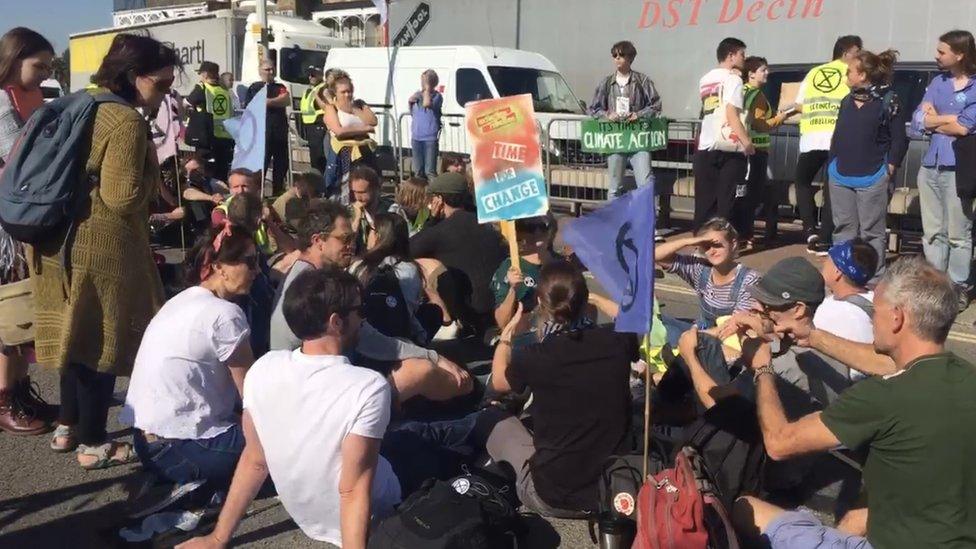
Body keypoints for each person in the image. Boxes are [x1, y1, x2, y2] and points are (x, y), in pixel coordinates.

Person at [731, 256, 976, 549]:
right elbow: (892, 365)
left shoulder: (880, 397)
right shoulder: (963, 377)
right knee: (858, 512)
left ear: (897, 318)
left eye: (876, 311)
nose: (872, 318)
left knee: (746, 509)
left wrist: (762, 368)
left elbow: (779, 443)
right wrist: (812, 337)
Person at [177, 267, 402, 549]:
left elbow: (255, 459)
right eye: (360, 310)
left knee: (414, 433)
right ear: (336, 322)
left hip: (309, 518)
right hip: (377, 504)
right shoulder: (368, 387)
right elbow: (352, 489)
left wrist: (219, 537)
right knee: (435, 439)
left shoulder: (263, 369)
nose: (363, 318)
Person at [32, 34, 176, 467]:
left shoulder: (81, 102)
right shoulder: (126, 121)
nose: (166, 94)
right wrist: (153, 176)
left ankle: (67, 427)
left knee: (74, 336)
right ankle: (94, 443)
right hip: (102, 243)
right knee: (101, 340)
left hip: (58, 237)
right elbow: (123, 196)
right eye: (163, 85)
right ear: (135, 76)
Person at [269, 201, 473, 404]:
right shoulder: (317, 288)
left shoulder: (306, 276)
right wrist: (433, 357)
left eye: (354, 238)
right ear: (318, 241)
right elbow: (369, 340)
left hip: (319, 384)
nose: (352, 245)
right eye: (345, 239)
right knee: (420, 371)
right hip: (319, 395)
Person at [488, 261, 638, 517]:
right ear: (584, 300)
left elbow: (498, 382)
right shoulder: (617, 340)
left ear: (541, 303)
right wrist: (598, 300)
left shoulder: (533, 355)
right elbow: (630, 319)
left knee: (496, 422)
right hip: (616, 486)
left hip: (553, 494)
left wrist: (505, 337)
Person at [121, 226, 255, 495]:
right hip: (185, 446)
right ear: (220, 267)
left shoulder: (179, 301)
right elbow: (252, 392)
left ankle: (182, 480)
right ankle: (202, 484)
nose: (258, 270)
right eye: (250, 262)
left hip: (147, 442)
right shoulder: (226, 314)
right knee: (279, 441)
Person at [0, 27, 54, 436]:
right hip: (6, 222)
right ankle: (5, 399)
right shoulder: (2, 99)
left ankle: (18, 391)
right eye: (39, 66)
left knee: (19, 311)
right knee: (8, 313)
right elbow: (16, 152)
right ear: (15, 58)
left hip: (20, 214)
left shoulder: (30, 96)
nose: (44, 74)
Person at [828, 49, 908, 282]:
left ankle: (873, 279)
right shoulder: (846, 100)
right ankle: (842, 275)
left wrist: (890, 168)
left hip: (872, 177)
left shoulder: (888, 100)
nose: (846, 76)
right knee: (843, 230)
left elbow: (899, 139)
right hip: (841, 176)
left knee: (872, 232)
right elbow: (838, 136)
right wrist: (832, 165)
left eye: (849, 72)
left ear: (862, 75)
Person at [913, 30, 976, 311]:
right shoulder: (937, 82)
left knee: (958, 234)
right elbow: (917, 120)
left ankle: (958, 287)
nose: (936, 56)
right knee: (932, 232)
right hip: (931, 165)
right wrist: (945, 119)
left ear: (959, 54)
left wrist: (934, 119)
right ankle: (936, 285)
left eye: (941, 52)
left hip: (958, 168)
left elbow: (964, 126)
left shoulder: (975, 86)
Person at [410, 172, 506, 338]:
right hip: (496, 306)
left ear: (439, 199)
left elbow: (408, 249)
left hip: (468, 309)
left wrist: (432, 219)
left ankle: (446, 322)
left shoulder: (442, 230)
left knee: (421, 263)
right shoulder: (487, 226)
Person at [794, 35, 862, 255]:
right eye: (857, 52)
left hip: (812, 136)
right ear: (845, 54)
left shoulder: (814, 73)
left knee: (802, 182)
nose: (859, 56)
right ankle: (825, 240)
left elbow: (799, 104)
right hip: (836, 138)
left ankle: (809, 230)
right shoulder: (849, 73)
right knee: (832, 188)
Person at [655, 218, 760, 345]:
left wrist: (690, 338)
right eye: (706, 246)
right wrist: (689, 241)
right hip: (702, 332)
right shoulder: (700, 270)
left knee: (671, 335)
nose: (712, 251)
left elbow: (731, 327)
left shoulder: (748, 279)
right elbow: (655, 255)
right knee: (654, 321)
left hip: (728, 342)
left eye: (717, 245)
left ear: (733, 244)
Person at [587, 40, 663, 199]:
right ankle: (615, 222)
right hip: (616, 140)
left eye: (621, 55)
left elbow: (656, 105)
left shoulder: (642, 81)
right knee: (615, 187)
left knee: (645, 183)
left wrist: (639, 115)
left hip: (638, 140)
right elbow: (593, 109)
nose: (617, 59)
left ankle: (646, 221)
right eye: (614, 55)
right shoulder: (606, 83)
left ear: (630, 58)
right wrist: (608, 115)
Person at [351, 212, 439, 344]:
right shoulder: (411, 269)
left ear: (378, 235)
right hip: (399, 333)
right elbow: (411, 308)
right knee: (434, 311)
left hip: (364, 333)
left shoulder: (358, 266)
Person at [694, 37, 752, 230]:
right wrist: (747, 143)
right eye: (742, 54)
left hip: (706, 144)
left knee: (704, 201)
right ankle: (723, 245)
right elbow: (731, 113)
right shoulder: (733, 80)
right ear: (731, 55)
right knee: (727, 201)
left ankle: (702, 244)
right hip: (728, 147)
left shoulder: (705, 79)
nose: (745, 58)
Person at [731, 56, 789, 245]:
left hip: (744, 148)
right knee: (751, 195)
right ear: (751, 74)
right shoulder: (756, 94)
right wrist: (784, 116)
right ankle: (744, 233)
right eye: (763, 70)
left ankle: (740, 232)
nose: (767, 73)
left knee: (743, 193)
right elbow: (761, 125)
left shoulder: (742, 91)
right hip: (756, 150)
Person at [491, 216, 554, 331]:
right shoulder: (510, 268)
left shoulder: (560, 263)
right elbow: (502, 322)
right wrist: (513, 289)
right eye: (529, 227)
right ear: (518, 234)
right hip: (528, 338)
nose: (537, 231)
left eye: (542, 225)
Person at [816, 238, 878, 352]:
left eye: (828, 260)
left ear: (837, 271)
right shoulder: (876, 299)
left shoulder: (832, 311)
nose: (823, 264)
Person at [323, 73, 378, 203]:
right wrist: (364, 129)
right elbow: (339, 131)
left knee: (366, 185)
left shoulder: (359, 105)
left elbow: (373, 121)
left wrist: (355, 109)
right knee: (343, 189)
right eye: (343, 92)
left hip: (364, 152)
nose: (347, 95)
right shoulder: (332, 108)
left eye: (350, 91)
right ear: (335, 93)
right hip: (344, 153)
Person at [245, 60, 290, 196]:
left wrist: (268, 101)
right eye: (267, 69)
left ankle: (277, 193)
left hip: (279, 132)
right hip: (261, 133)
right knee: (260, 166)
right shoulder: (254, 87)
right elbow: (253, 104)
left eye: (272, 69)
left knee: (281, 165)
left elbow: (285, 100)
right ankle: (257, 194)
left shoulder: (280, 86)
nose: (270, 72)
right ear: (260, 71)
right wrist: (275, 101)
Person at [186, 61, 234, 181]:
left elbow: (186, 103)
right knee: (222, 171)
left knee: (204, 170)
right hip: (225, 135)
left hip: (207, 137)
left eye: (201, 73)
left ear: (205, 74)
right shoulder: (224, 90)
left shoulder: (202, 88)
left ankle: (209, 196)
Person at [349, 165, 400, 254]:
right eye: (355, 192)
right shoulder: (349, 212)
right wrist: (357, 219)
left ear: (376, 189)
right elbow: (348, 244)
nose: (358, 197)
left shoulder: (392, 210)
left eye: (363, 192)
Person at [408, 69, 443, 180]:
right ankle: (420, 195)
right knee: (418, 171)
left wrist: (428, 89)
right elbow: (411, 107)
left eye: (426, 81)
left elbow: (427, 103)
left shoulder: (437, 96)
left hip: (430, 138)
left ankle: (434, 193)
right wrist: (410, 102)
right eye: (422, 80)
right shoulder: (417, 94)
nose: (423, 83)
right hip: (416, 137)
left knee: (430, 171)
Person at [181, 153, 229, 233]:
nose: (196, 173)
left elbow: (225, 189)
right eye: (192, 171)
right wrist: (211, 198)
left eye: (197, 169)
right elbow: (188, 193)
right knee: (196, 203)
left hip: (215, 219)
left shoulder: (208, 181)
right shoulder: (187, 185)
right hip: (197, 223)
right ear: (186, 174)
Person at [299, 65, 328, 180]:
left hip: (319, 125)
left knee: (319, 158)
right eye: (309, 74)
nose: (310, 77)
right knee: (314, 158)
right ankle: (316, 182)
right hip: (310, 127)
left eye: (314, 74)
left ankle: (320, 183)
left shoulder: (322, 89)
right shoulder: (310, 89)